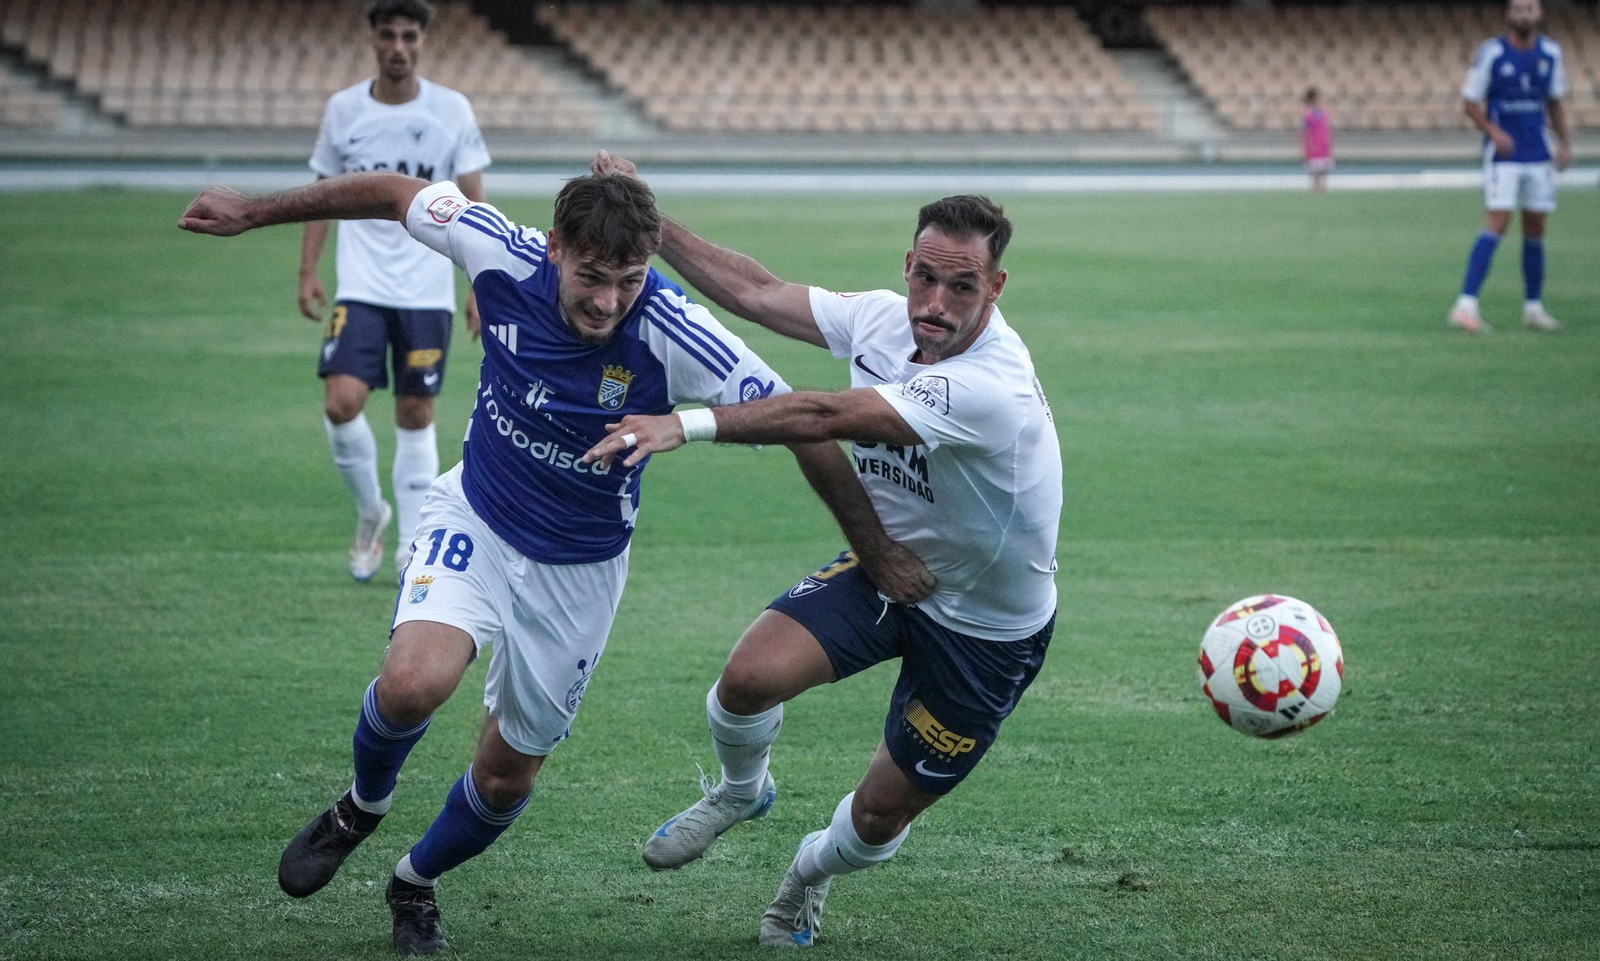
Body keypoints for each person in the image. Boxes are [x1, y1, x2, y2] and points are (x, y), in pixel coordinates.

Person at [178, 169, 930, 955]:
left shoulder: (673, 329)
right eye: (592, 277)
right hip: (479, 512)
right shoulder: (497, 249)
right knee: (412, 683)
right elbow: (397, 190)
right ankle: (360, 807)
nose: (609, 302)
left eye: (630, 281)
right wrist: (257, 211)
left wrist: (874, 550)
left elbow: (804, 425)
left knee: (505, 776)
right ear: (554, 248)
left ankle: (414, 881)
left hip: (579, 571)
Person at [584, 152, 1062, 948]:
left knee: (877, 814)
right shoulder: (882, 316)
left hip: (988, 630)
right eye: (925, 278)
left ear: (995, 288)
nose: (935, 304)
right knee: (745, 680)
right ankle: (743, 790)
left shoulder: (992, 388)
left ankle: (807, 875)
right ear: (907, 265)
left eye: (962, 286)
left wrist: (685, 424)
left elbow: (816, 416)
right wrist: (648, 225)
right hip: (892, 571)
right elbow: (757, 291)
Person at [302, 0, 491, 580]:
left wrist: (480, 284)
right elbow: (321, 194)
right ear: (374, 40)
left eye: (410, 36)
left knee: (416, 410)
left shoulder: (451, 110)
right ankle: (370, 512)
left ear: (422, 41)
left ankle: (412, 542)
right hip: (361, 285)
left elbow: (475, 203)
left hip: (427, 289)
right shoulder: (343, 111)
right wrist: (308, 269)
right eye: (389, 36)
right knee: (341, 403)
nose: (399, 46)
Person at [1448, 0, 1569, 334]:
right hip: (1504, 156)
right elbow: (1470, 102)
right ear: (1508, 14)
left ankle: (1533, 307)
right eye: (1518, 9)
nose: (1524, 15)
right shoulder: (1492, 53)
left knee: (1536, 228)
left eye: (1530, 9)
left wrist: (1565, 142)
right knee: (1497, 222)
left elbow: (1555, 101)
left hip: (1538, 152)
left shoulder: (1551, 54)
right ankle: (1465, 304)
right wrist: (1492, 131)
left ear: (1540, 14)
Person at [1302, 88, 1333, 194]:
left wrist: (1328, 142)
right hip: (1313, 145)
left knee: (1323, 170)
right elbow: (1305, 132)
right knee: (1314, 171)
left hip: (1323, 144)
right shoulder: (1307, 115)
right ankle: (1314, 189)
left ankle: (1322, 190)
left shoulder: (1322, 113)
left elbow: (1326, 129)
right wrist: (1307, 146)